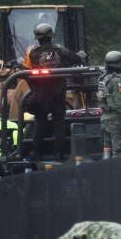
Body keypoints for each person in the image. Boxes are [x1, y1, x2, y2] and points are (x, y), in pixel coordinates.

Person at [23, 23, 82, 160]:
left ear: (37, 38)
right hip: (58, 93)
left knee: (40, 123)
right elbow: (75, 58)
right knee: (58, 123)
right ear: (51, 36)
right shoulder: (60, 50)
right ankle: (59, 153)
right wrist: (79, 56)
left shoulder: (33, 53)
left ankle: (35, 153)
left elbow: (27, 68)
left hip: (41, 94)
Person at [98, 50, 121, 158]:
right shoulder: (116, 80)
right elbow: (119, 104)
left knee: (107, 151)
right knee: (120, 152)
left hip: (105, 118)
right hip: (116, 121)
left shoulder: (103, 78)